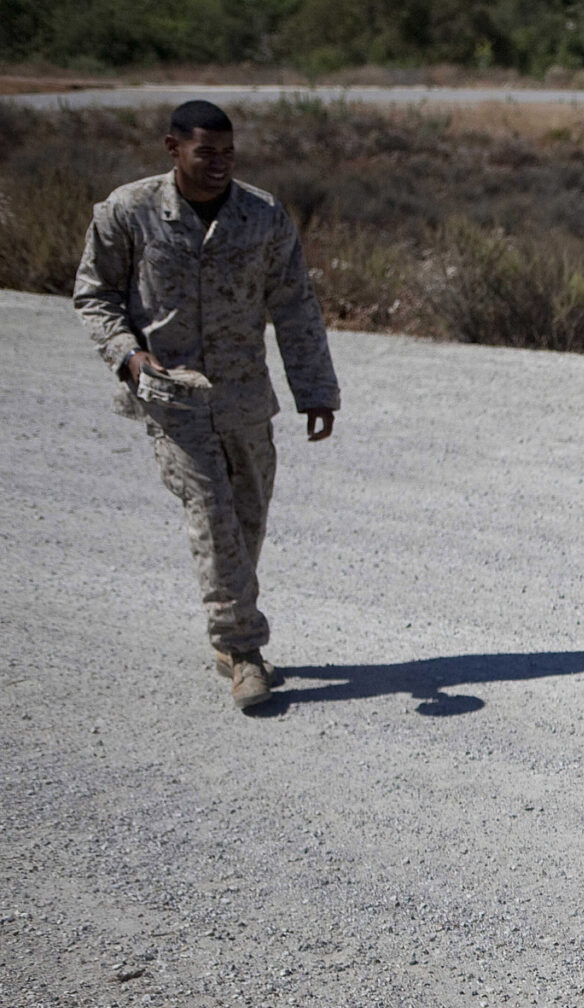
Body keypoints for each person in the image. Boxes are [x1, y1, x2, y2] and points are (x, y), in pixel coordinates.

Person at [72, 99, 339, 712]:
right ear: (173, 149)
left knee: (247, 520)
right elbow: (95, 295)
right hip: (173, 398)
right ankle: (243, 649)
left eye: (228, 153)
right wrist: (128, 358)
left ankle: (229, 626)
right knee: (214, 513)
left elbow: (295, 304)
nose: (219, 164)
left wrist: (316, 390)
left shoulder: (262, 214)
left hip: (246, 396)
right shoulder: (129, 211)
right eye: (205, 153)